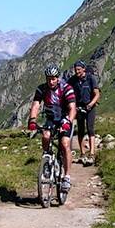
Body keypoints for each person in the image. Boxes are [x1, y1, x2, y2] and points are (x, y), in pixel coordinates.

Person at [26, 64, 76, 192]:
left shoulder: (66, 88)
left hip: (65, 119)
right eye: (48, 78)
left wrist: (68, 122)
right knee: (45, 135)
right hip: (51, 119)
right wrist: (32, 120)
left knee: (64, 144)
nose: (51, 81)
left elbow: (72, 108)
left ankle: (67, 177)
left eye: (53, 78)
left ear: (58, 78)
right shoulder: (42, 89)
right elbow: (36, 105)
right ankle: (47, 159)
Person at [67, 60, 100, 165]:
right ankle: (82, 153)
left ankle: (92, 153)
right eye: (75, 70)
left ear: (83, 69)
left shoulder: (91, 79)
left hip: (90, 107)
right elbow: (67, 90)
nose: (77, 72)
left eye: (79, 69)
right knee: (80, 130)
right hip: (79, 108)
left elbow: (97, 94)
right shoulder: (73, 80)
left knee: (90, 129)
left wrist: (91, 104)